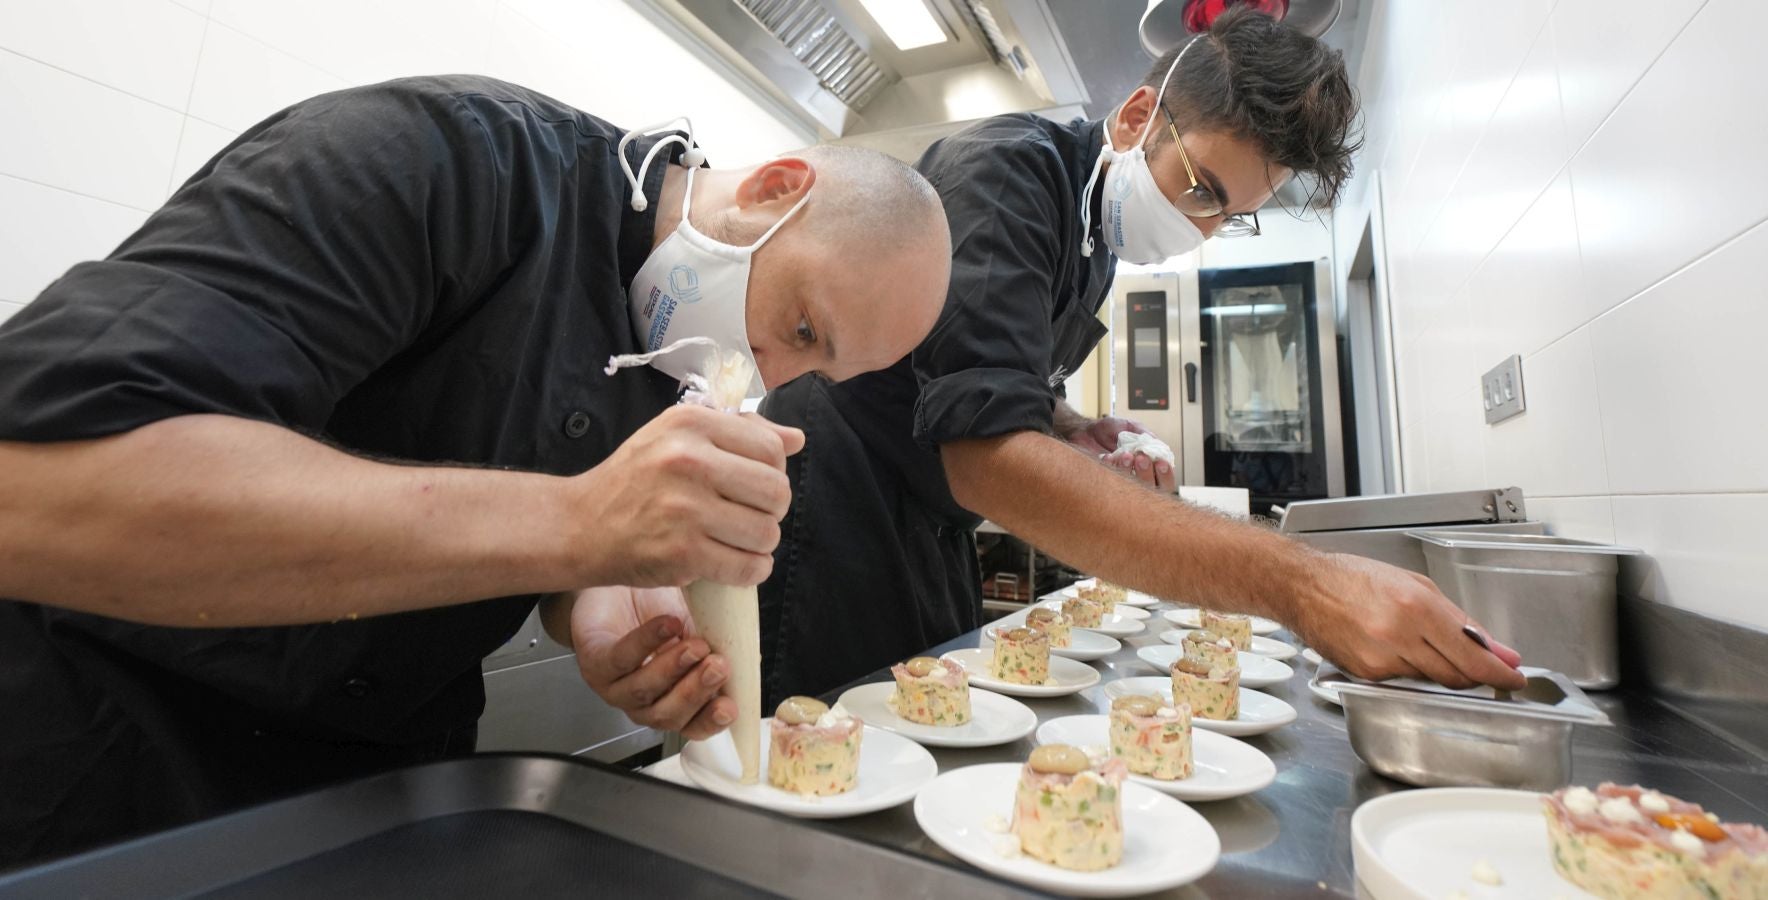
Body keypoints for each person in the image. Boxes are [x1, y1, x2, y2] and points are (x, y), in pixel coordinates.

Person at [0, 75, 951, 865]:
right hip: (107, 762)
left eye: (814, 371)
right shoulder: (431, 160)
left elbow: (525, 503)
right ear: (773, 188)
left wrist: (591, 601)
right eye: (799, 329)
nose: (772, 377)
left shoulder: (672, 351)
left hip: (387, 786)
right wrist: (577, 524)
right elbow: (33, 495)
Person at [576, 9, 1525, 735]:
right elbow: (984, 449)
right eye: (1201, 190)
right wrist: (1306, 584)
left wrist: (1077, 430)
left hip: (922, 521)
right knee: (826, 746)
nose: (1198, 229)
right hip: (835, 507)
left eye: (1225, 217)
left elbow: (988, 381)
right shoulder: (1010, 176)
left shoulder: (1092, 233)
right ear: (1140, 114)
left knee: (925, 719)